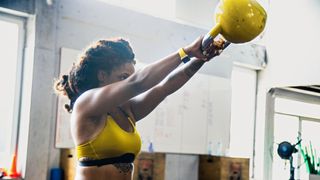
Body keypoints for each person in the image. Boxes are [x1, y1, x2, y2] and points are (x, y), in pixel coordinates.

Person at [54, 35, 227, 180]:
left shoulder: (126, 109)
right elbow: (138, 83)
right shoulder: (86, 104)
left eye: (130, 77)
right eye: (123, 77)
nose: (127, 83)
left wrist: (201, 58)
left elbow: (165, 87)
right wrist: (185, 51)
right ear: (102, 76)